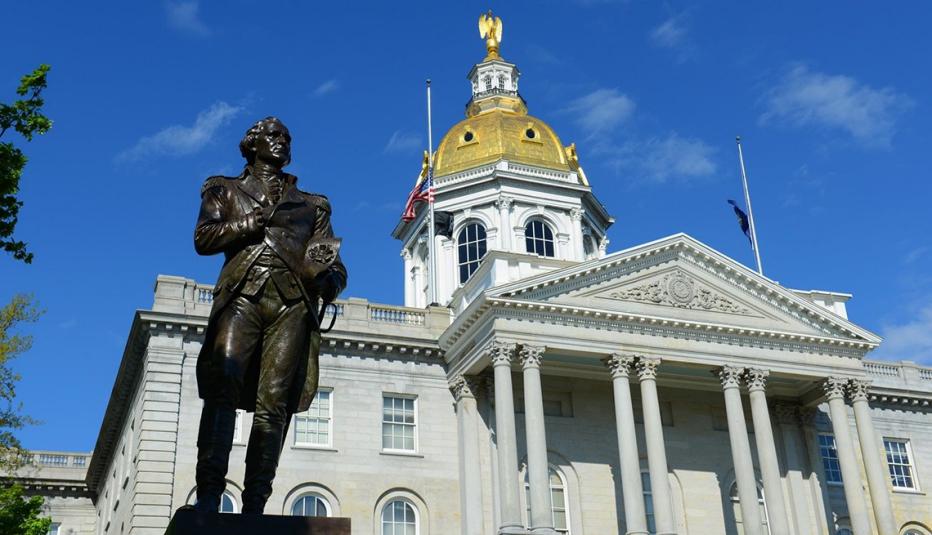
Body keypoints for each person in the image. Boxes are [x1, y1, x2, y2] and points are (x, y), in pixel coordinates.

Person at [192, 116, 346, 514]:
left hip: (292, 304)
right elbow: (204, 238)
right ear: (252, 144)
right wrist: (249, 223)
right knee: (222, 389)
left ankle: (256, 502)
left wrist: (329, 281)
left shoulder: (313, 205)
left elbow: (335, 263)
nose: (282, 142)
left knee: (274, 404)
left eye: (287, 138)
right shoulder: (224, 189)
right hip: (242, 295)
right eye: (273, 136)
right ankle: (208, 494)